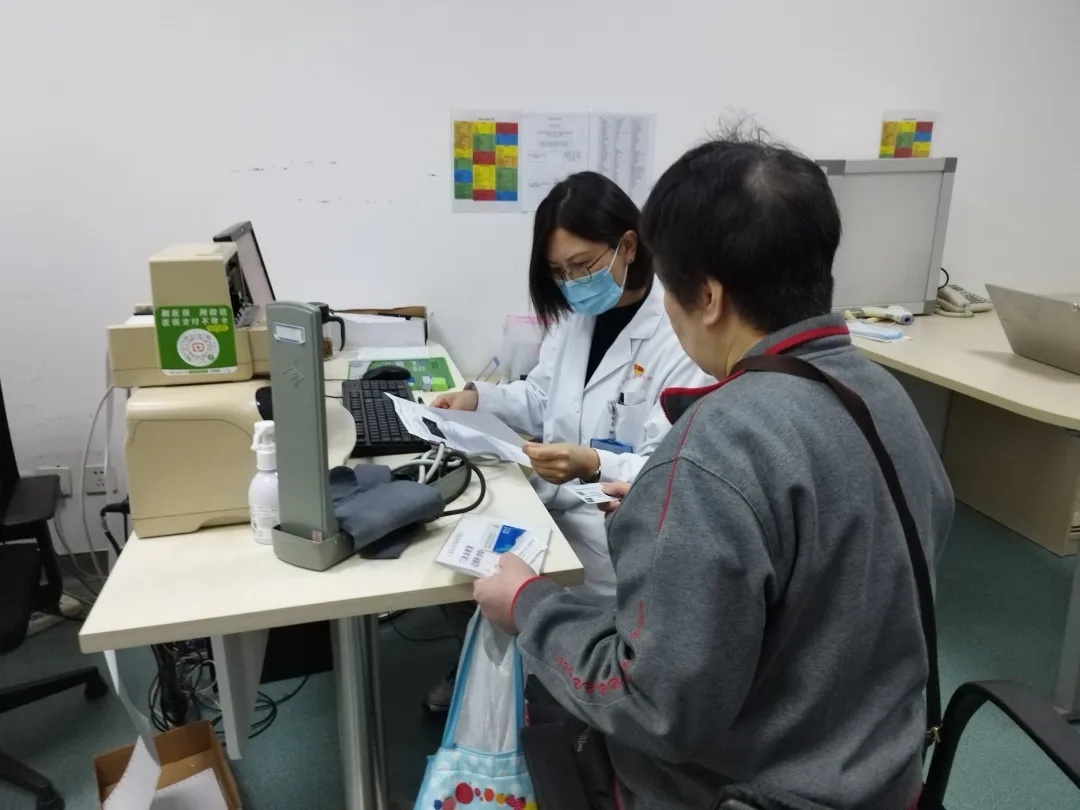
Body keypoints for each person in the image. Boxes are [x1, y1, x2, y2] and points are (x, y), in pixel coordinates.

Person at [474, 128, 954, 809]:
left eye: (668, 284)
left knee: (549, 707)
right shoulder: (886, 399)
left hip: (750, 790)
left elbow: (655, 707)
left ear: (707, 296)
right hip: (881, 771)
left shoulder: (714, 450)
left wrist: (528, 605)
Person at [432, 171, 710, 597]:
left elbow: (670, 472)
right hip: (550, 520)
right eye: (559, 272)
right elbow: (543, 397)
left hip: (613, 551)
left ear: (628, 246)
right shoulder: (576, 317)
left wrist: (592, 463)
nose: (573, 283)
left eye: (582, 266)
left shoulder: (680, 339)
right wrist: (479, 400)